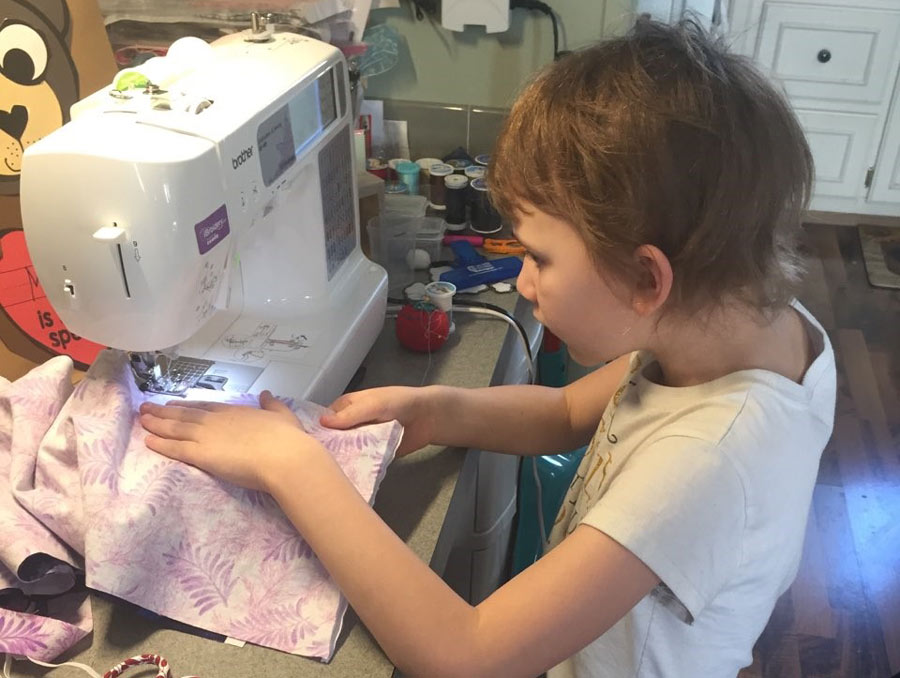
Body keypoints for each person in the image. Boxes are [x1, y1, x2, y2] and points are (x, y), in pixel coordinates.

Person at [138, 19, 836, 678]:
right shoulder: (727, 322)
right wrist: (440, 409)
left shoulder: (710, 462)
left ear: (647, 279)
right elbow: (566, 411)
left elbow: (466, 655)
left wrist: (291, 465)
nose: (523, 281)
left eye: (538, 257)